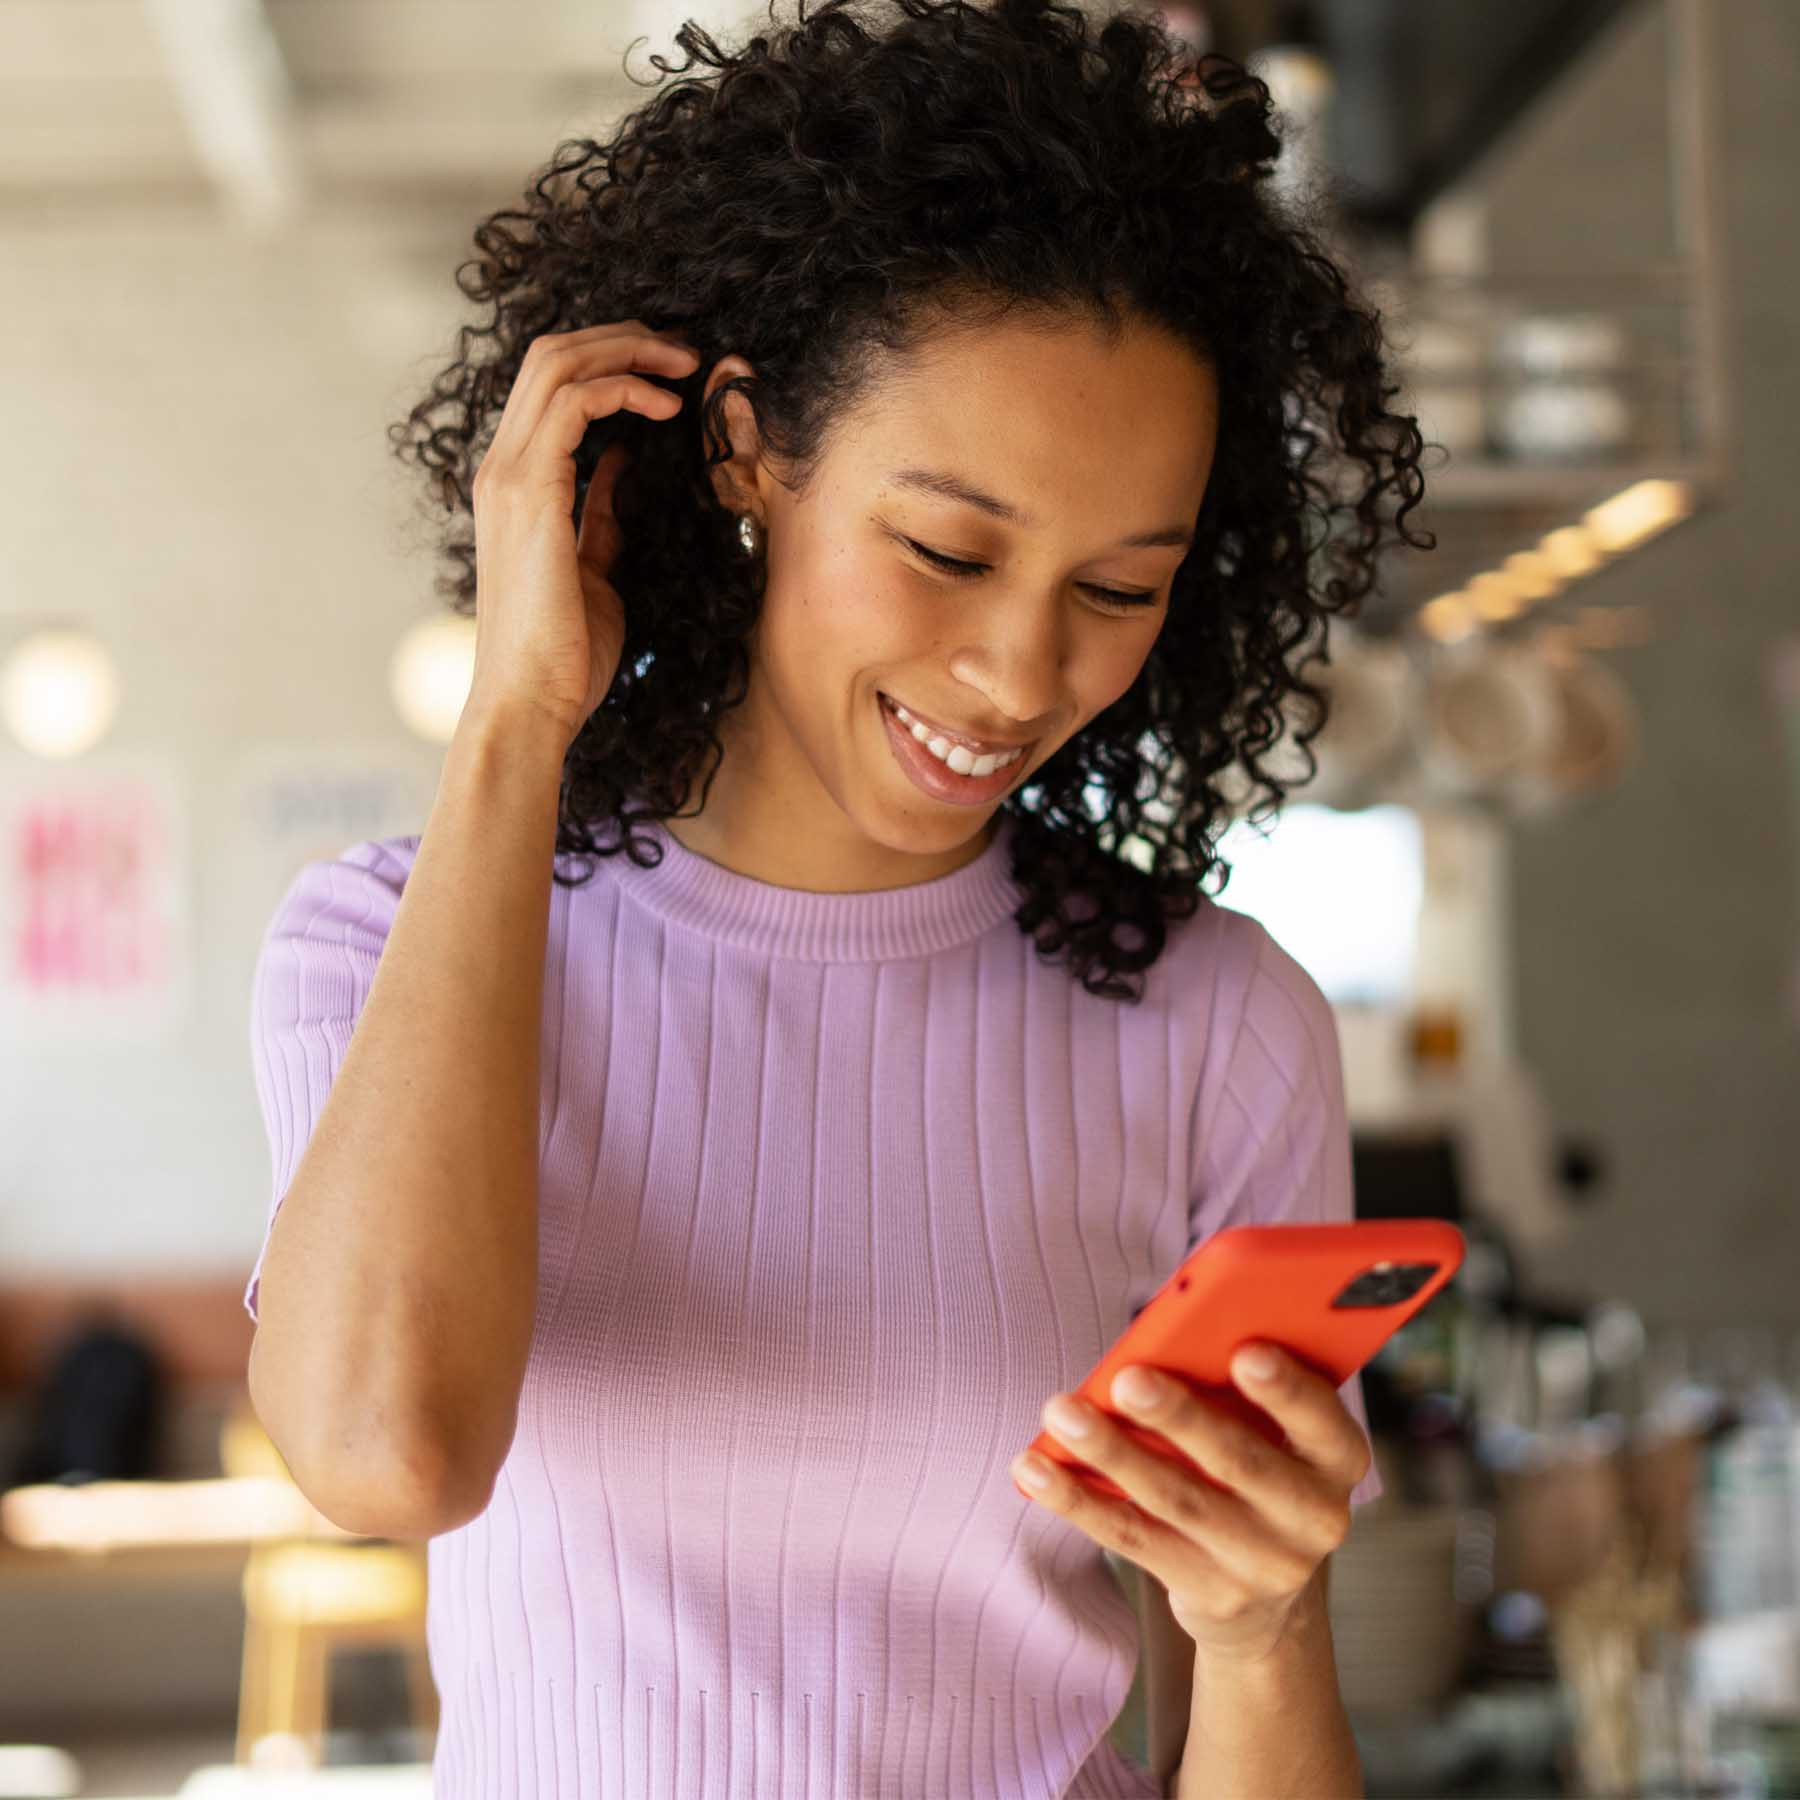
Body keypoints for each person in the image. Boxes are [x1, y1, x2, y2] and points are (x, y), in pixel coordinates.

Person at [242, 1, 1430, 1793]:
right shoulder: (387, 945)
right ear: (744, 448)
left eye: (1121, 587)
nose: (1022, 671)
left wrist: (1264, 1625)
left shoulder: (1214, 1023)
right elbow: (386, 1455)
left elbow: (1243, 1720)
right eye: (948, 549)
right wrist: (516, 719)